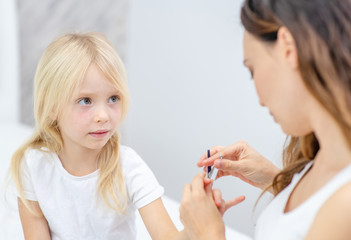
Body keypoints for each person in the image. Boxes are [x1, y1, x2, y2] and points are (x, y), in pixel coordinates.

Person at [179, 0, 351, 239]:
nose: (259, 99)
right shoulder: (328, 156)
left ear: (288, 48)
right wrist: (277, 181)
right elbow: (312, 213)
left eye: (252, 71)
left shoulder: (345, 207)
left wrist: (208, 233)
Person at [10, 32, 191, 240]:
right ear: (51, 107)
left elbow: (167, 236)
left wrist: (198, 226)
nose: (103, 116)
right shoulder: (33, 167)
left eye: (113, 98)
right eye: (85, 101)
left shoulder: (129, 167)